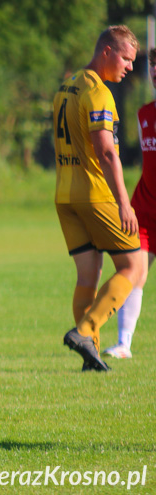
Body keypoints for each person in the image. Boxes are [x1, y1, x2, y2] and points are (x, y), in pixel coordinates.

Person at [53, 25, 143, 372]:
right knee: (133, 267)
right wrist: (123, 201)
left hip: (64, 194)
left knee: (88, 276)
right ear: (106, 51)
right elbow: (106, 153)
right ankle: (86, 331)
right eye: (125, 58)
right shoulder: (99, 93)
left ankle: (90, 355)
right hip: (94, 194)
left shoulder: (67, 85)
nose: (130, 67)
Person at [103, 47, 156, 359]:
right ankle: (124, 344)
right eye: (152, 66)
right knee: (135, 271)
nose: (154, 72)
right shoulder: (144, 113)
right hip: (145, 209)